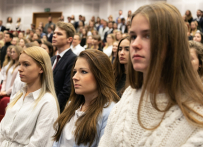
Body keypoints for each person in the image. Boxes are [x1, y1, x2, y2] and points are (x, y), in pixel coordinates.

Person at [99, 3, 203, 147]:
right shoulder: (129, 95)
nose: (134, 44)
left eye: (147, 35)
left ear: (172, 43)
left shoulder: (197, 116)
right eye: (133, 36)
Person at [0, 47, 59, 147]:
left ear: (41, 68)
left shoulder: (47, 102)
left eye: (26, 64)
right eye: (20, 64)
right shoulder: (19, 94)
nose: (20, 69)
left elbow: (39, 143)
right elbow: (0, 135)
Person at [52, 49, 119, 147]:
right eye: (75, 72)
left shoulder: (110, 111)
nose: (75, 77)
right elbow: (56, 142)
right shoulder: (71, 104)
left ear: (100, 75)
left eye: (83, 72)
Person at [51, 21, 77, 113]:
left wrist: (52, 108)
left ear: (69, 39)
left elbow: (67, 90)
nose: (54, 35)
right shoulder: (53, 59)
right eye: (54, 33)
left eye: (59, 34)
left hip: (57, 109)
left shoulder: (73, 59)